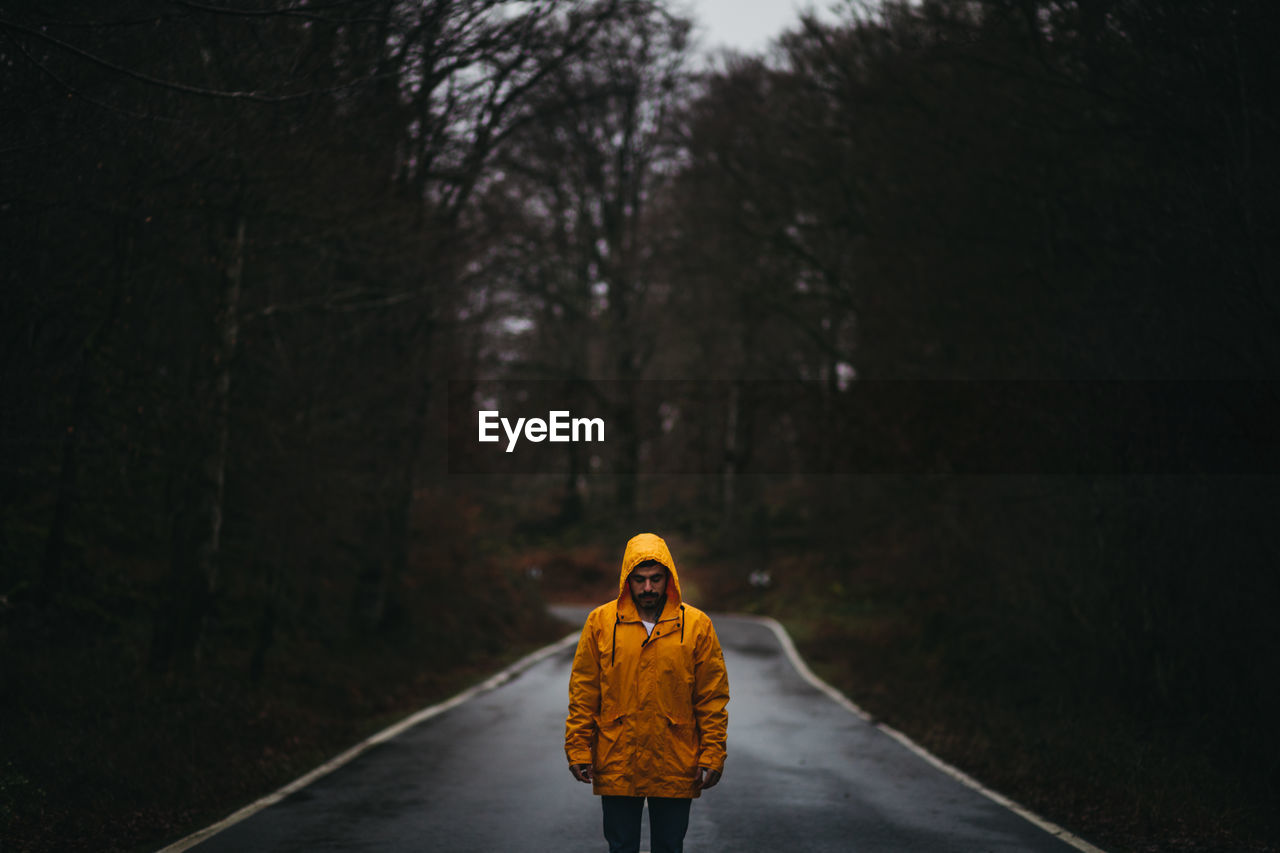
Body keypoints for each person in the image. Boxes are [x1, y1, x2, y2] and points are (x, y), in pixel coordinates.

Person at [565, 532, 730, 853]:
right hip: (617, 757)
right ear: (627, 580)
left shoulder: (697, 625)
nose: (648, 588)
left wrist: (712, 753)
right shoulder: (600, 622)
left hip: (675, 758)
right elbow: (584, 691)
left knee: (669, 846)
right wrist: (578, 748)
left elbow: (711, 697)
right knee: (621, 846)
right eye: (639, 580)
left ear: (669, 578)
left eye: (656, 579)